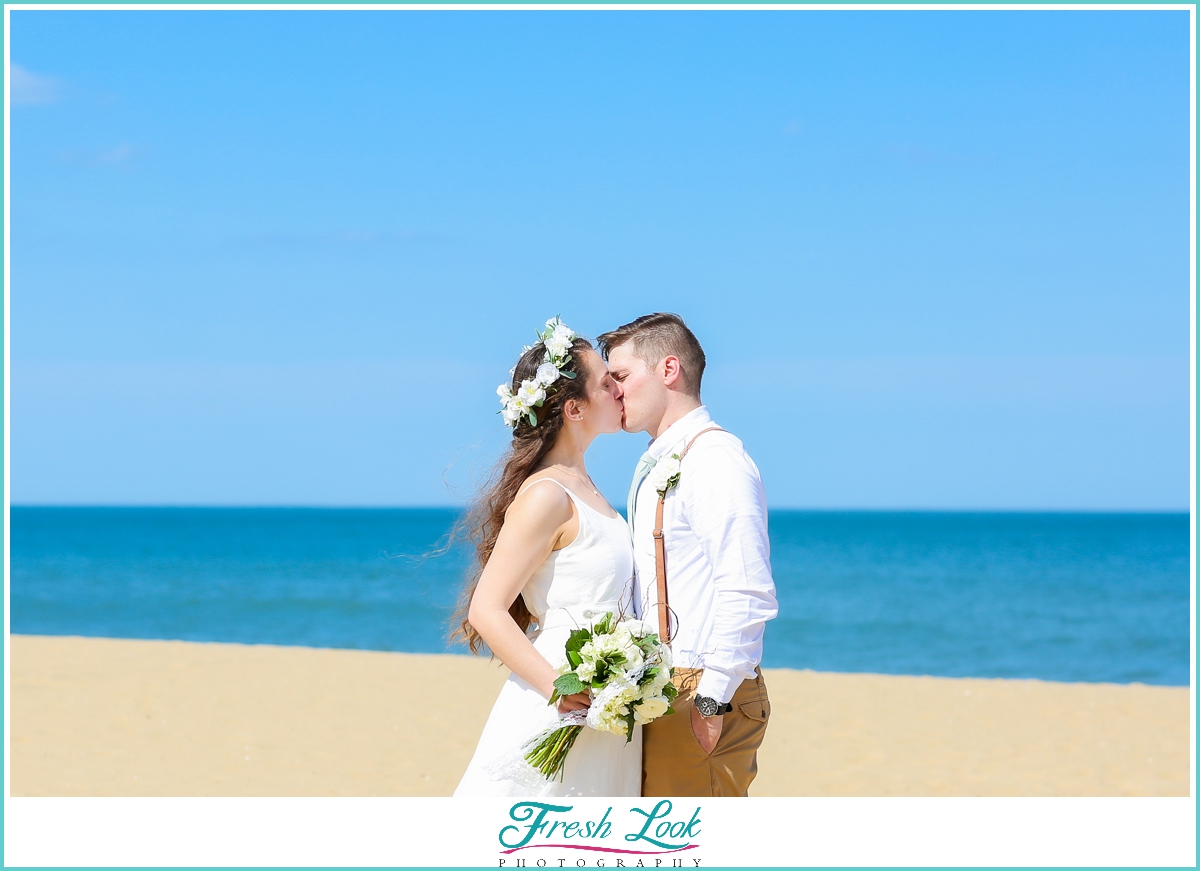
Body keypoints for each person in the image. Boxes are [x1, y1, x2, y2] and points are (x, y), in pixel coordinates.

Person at [452, 318, 641, 797]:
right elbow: (486, 608)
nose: (619, 389)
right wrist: (558, 688)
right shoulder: (547, 495)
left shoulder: (587, 488)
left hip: (606, 697)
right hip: (562, 695)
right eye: (606, 382)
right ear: (574, 408)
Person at [597, 312, 778, 797]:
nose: (614, 390)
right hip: (662, 688)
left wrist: (712, 698)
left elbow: (747, 589)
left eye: (621, 376)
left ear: (668, 370)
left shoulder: (715, 460)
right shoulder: (661, 458)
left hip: (700, 688)